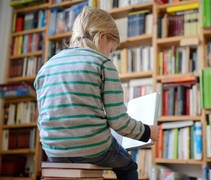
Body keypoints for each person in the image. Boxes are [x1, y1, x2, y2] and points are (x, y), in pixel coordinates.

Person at [34, 7, 158, 180]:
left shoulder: (46, 67)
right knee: (129, 166)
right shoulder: (103, 63)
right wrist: (148, 132)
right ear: (102, 37)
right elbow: (119, 123)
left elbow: (43, 118)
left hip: (53, 150)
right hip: (92, 147)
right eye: (111, 50)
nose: (110, 55)